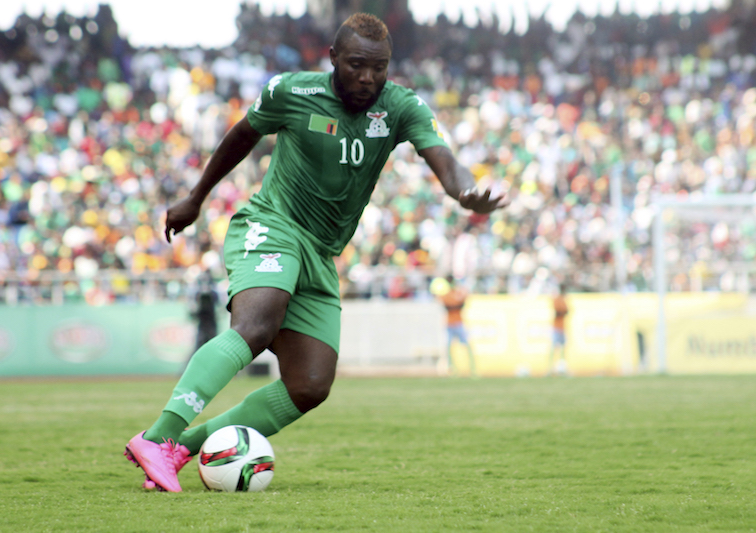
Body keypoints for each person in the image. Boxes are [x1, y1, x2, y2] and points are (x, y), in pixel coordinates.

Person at [124, 13, 510, 492]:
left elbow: (446, 161)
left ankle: (182, 447)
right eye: (356, 65)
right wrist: (196, 198)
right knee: (256, 326)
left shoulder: (400, 106)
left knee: (310, 384)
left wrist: (466, 192)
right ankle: (159, 436)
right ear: (332, 58)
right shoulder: (291, 91)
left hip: (321, 254)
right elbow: (242, 135)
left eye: (379, 68)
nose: (367, 78)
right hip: (273, 225)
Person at [438, 275, 477, 377]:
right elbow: (451, 305)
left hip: (458, 323)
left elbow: (461, 303)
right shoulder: (448, 295)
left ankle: (472, 368)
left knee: (467, 345)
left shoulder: (456, 293)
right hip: (450, 324)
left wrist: (460, 299)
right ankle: (451, 369)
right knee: (448, 347)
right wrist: (458, 300)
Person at [548, 282, 569, 376]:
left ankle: (562, 368)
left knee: (562, 349)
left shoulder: (563, 300)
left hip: (562, 327)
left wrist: (562, 312)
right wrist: (562, 312)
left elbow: (567, 311)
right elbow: (558, 312)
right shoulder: (557, 299)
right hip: (556, 327)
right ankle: (550, 368)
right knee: (554, 348)